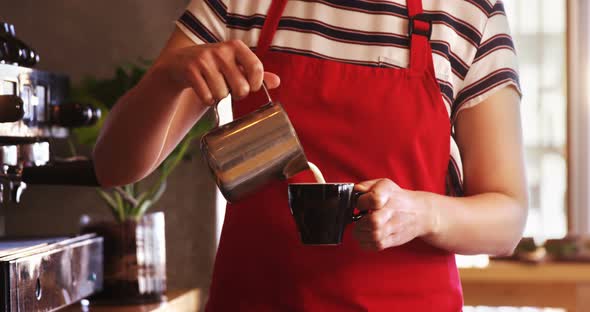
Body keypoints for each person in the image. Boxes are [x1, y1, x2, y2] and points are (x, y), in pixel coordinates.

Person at [93, 0, 528, 310]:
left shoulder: (469, 13)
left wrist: (421, 213)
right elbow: (114, 167)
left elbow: (507, 218)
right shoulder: (244, 4)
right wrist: (169, 78)